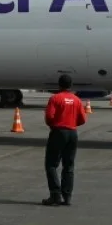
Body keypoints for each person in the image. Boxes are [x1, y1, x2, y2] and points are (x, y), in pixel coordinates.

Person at [42, 75, 86, 206]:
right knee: (69, 165)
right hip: (72, 133)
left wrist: (54, 125)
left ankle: (55, 194)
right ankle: (67, 196)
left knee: (51, 164)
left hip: (58, 132)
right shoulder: (77, 100)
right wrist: (71, 123)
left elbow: (49, 116)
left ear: (59, 85)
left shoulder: (55, 98)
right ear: (70, 85)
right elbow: (83, 119)